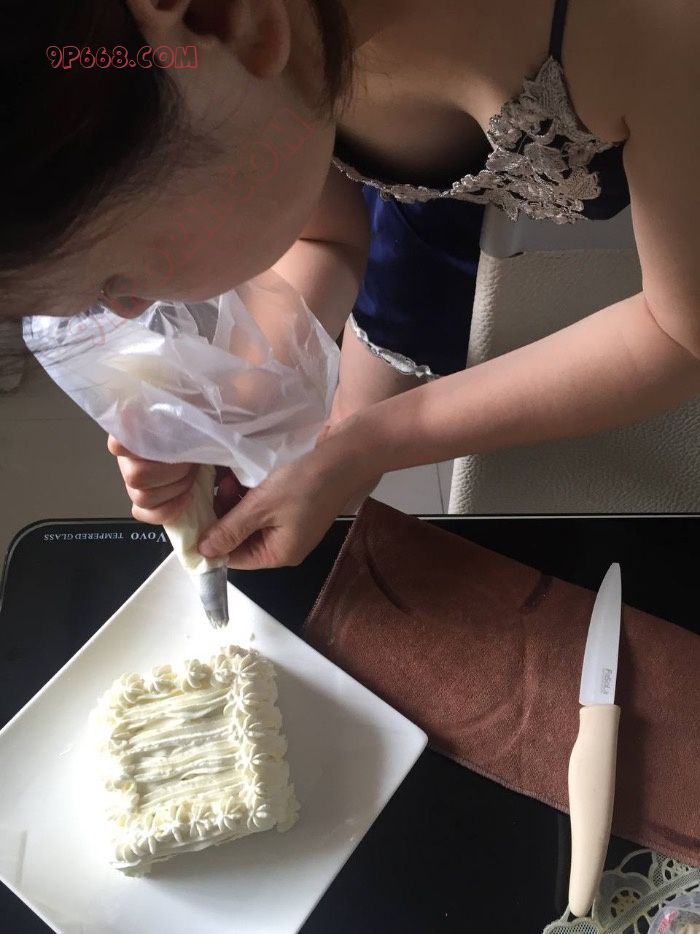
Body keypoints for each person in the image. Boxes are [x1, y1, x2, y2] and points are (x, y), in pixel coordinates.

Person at [3, 1, 699, 569]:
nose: (130, 311)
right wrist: (231, 401)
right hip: (417, 225)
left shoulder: (657, 25)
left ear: (222, 16)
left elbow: (680, 334)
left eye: (114, 281)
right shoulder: (265, 47)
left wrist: (369, 442)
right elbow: (325, 236)